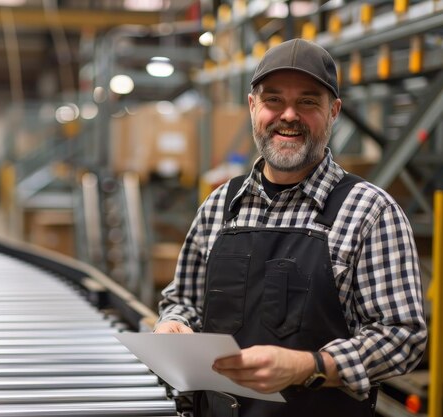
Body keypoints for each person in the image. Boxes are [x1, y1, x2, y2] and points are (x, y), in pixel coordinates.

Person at [154, 38, 427, 417]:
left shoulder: (370, 211)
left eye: (308, 102)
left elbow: (403, 336)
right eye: (273, 100)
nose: (288, 115)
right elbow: (182, 300)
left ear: (334, 112)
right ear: (253, 107)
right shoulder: (220, 206)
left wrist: (310, 367)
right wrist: (173, 324)